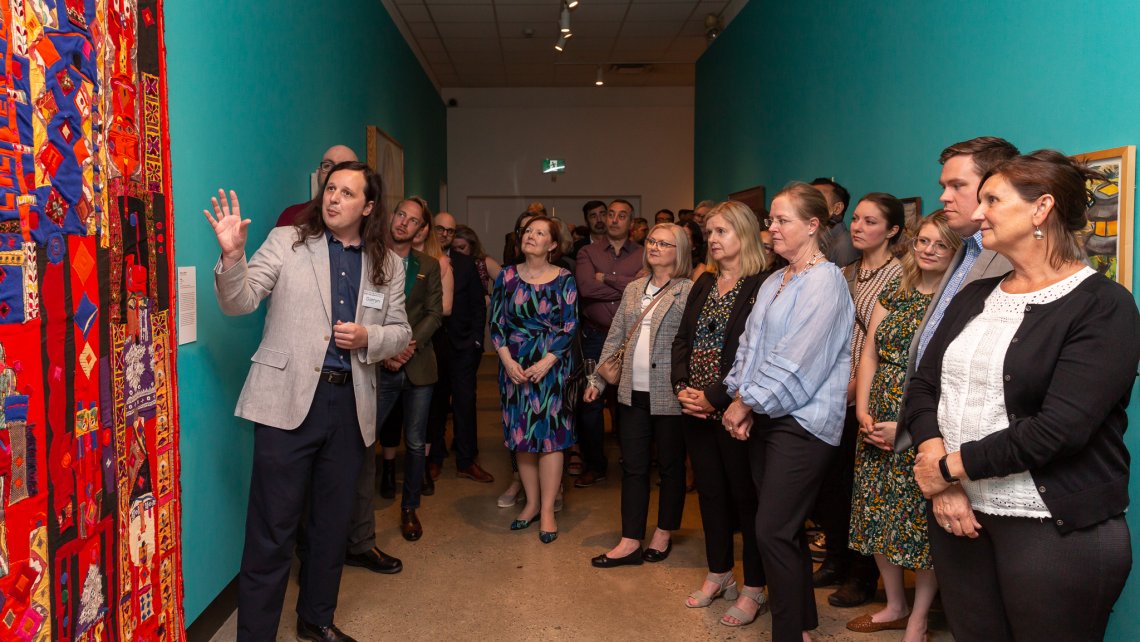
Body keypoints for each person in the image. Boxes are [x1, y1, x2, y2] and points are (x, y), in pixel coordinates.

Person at [905, 151, 1139, 642]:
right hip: (959, 515)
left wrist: (948, 468)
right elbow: (924, 384)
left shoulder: (1103, 305)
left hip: (1053, 530)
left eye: (992, 199)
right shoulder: (976, 295)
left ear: (1041, 209)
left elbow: (1061, 429)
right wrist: (940, 475)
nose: (976, 212)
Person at [207, 161, 411, 641]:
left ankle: (316, 620)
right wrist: (232, 257)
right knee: (272, 529)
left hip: (349, 405)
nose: (334, 198)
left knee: (330, 525)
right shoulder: (287, 241)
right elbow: (240, 301)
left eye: (347, 192)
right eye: (330, 189)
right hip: (285, 404)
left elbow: (400, 328)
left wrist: (369, 337)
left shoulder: (389, 264)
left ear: (369, 206)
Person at [723, 182, 854, 642]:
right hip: (767, 416)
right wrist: (740, 394)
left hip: (803, 423)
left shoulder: (826, 282)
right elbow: (751, 345)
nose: (771, 229)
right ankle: (801, 626)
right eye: (771, 220)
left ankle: (786, 633)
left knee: (772, 530)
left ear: (814, 225)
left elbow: (799, 359)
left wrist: (747, 402)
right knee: (787, 530)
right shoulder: (776, 279)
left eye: (782, 220)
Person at [845, 212, 959, 641]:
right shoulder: (897, 289)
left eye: (940, 245)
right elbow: (870, 353)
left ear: (956, 252)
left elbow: (946, 373)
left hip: (922, 417)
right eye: (923, 242)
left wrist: (906, 425)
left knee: (918, 520)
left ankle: (919, 617)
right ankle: (894, 604)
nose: (928, 250)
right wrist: (861, 409)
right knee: (875, 513)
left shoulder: (955, 300)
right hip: (876, 414)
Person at [672, 201, 773, 627]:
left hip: (734, 408)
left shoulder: (763, 284)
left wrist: (715, 395)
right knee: (710, 494)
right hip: (695, 408)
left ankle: (754, 587)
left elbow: (754, 352)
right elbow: (682, 340)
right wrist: (683, 388)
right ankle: (719, 573)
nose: (712, 240)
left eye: (721, 232)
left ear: (744, 235)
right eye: (709, 233)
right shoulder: (704, 282)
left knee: (745, 500)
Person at [894, 136, 1019, 452]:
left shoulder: (1013, 257)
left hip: (980, 446)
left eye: (957, 185)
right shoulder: (967, 248)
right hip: (932, 432)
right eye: (943, 185)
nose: (943, 196)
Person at [813, 193, 904, 608]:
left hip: (867, 394)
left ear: (893, 230)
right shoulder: (843, 271)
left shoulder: (902, 276)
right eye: (857, 220)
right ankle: (835, 558)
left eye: (871, 222)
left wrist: (855, 389)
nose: (859, 227)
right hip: (831, 389)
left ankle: (862, 577)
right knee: (830, 483)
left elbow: (883, 343)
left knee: (860, 488)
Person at [586, 223, 693, 568]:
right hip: (632, 392)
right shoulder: (633, 289)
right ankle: (630, 539)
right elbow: (616, 336)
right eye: (652, 241)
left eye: (665, 243)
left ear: (680, 252)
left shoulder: (689, 291)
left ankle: (663, 532)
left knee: (672, 468)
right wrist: (598, 381)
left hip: (671, 395)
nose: (655, 247)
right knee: (633, 467)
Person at [347, 196, 442, 551]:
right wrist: (386, 348)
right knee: (365, 437)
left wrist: (407, 345)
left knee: (416, 443)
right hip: (377, 362)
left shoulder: (428, 266)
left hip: (417, 364)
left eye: (412, 220)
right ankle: (355, 516)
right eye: (400, 214)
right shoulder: (368, 256)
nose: (403, 222)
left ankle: (410, 509)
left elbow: (434, 313)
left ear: (421, 230)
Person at [491, 217, 579, 544]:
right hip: (514, 366)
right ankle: (530, 503)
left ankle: (547, 511)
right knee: (522, 436)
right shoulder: (508, 276)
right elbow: (497, 323)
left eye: (539, 233)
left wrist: (547, 361)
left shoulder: (564, 279)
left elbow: (570, 326)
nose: (531, 236)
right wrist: (507, 361)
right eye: (528, 231)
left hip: (552, 366)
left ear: (552, 245)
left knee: (551, 438)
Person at [574, 199, 645, 488]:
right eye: (610, 215)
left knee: (630, 402)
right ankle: (595, 465)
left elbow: (645, 289)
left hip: (632, 339)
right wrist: (626, 284)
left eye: (621, 216)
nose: (614, 220)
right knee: (590, 403)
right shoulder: (587, 252)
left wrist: (608, 278)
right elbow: (586, 288)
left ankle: (634, 462)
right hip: (596, 338)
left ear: (631, 223)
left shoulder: (643, 253)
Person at [423, 212, 495, 485]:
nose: (444, 235)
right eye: (440, 229)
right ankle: (435, 459)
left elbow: (479, 305)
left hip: (464, 345)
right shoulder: (423, 261)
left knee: (465, 403)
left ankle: (466, 461)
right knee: (435, 404)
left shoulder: (466, 264)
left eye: (450, 231)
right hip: (431, 345)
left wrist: (477, 341)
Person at [276, 145, 358, 227]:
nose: (334, 172)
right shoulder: (292, 216)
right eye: (328, 166)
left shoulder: (365, 220)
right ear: (318, 173)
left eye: (344, 167)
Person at [810, 177, 860, 268]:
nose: (807, 205)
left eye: (817, 199)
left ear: (837, 208)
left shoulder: (845, 245)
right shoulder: (813, 240)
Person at [452, 224, 501, 295]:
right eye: (454, 249)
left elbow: (507, 283)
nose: (458, 251)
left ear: (472, 246)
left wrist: (491, 298)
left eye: (462, 247)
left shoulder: (484, 262)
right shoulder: (448, 263)